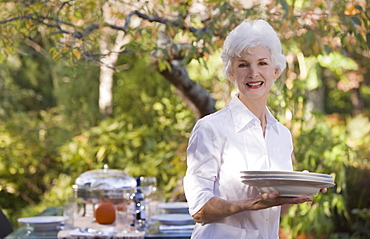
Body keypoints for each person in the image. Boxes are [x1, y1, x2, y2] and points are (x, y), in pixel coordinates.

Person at [183, 19, 326, 239]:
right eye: (243, 64)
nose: (253, 73)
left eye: (262, 63)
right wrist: (253, 203)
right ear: (231, 73)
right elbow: (199, 210)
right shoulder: (210, 128)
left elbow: (274, 211)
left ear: (276, 70)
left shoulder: (282, 135)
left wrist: (300, 190)